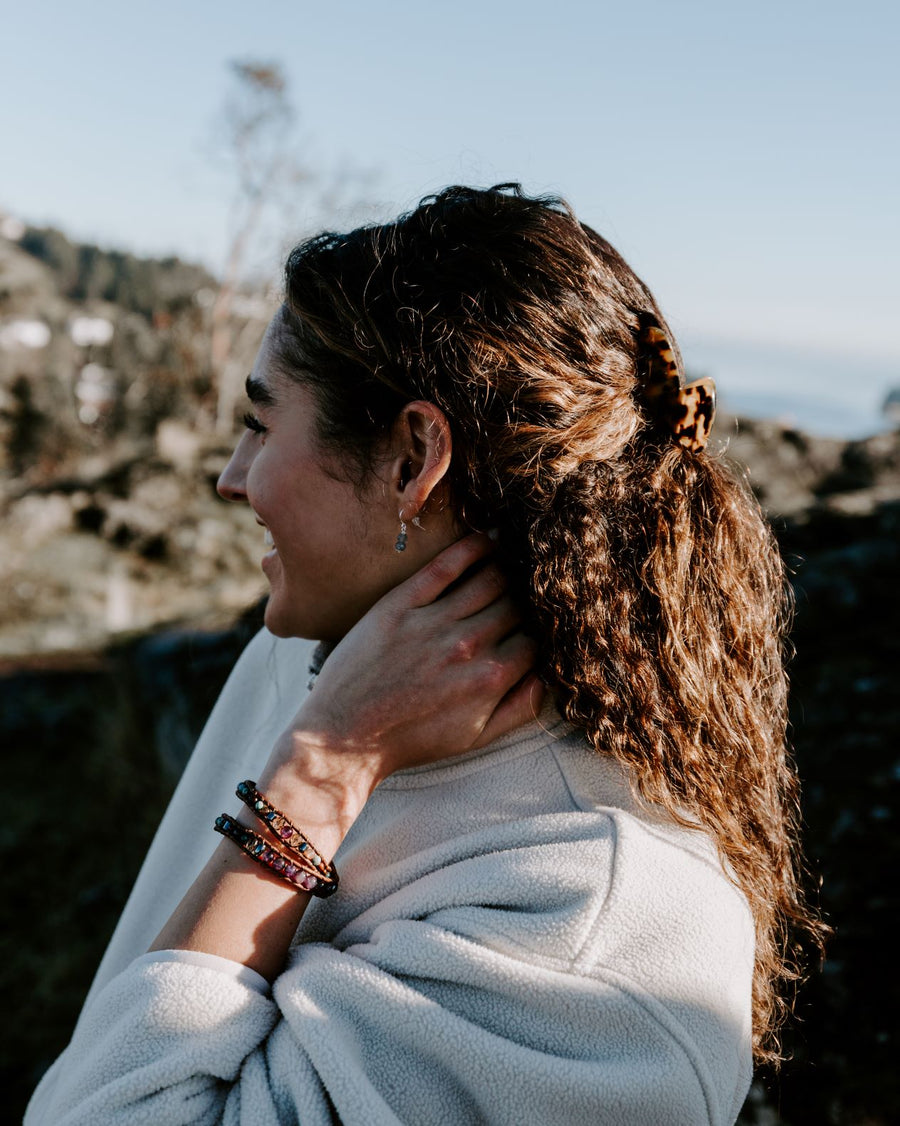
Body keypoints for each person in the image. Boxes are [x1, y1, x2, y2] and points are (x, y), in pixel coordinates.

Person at [26, 184, 822, 1126]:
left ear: (413, 459)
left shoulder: (599, 946)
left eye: (259, 423)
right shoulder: (305, 666)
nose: (229, 478)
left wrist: (317, 782)